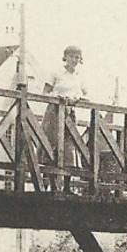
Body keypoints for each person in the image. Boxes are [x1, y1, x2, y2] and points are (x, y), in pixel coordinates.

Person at [42, 47, 89, 185]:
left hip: (70, 113)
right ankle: (51, 185)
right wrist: (57, 97)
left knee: (69, 147)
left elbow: (88, 95)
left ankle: (67, 185)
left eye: (77, 57)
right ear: (65, 57)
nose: (74, 60)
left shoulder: (80, 76)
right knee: (52, 145)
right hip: (54, 113)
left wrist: (77, 98)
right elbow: (45, 92)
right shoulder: (56, 72)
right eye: (72, 56)